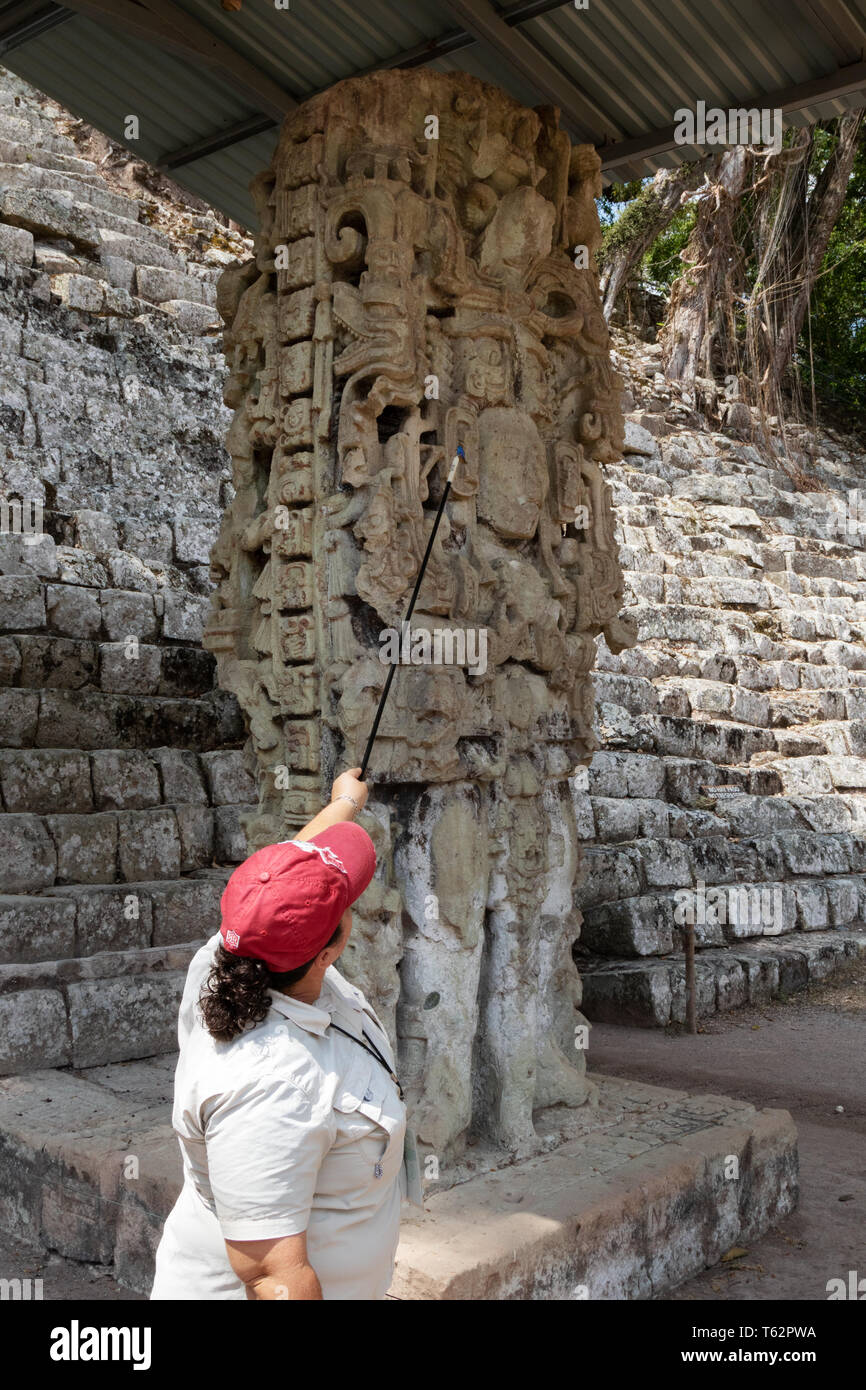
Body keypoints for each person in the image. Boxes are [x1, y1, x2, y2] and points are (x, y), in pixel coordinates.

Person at [150, 767, 411, 1300]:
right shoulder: (273, 1084)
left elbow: (285, 875)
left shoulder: (231, 953)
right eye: (343, 903)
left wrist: (344, 803)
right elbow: (272, 1277)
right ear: (328, 950)